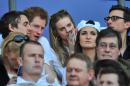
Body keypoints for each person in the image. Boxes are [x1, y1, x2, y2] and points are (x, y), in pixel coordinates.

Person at [24, 7, 61, 83]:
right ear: (26, 24)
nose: (39, 32)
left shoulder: (43, 41)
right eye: (36, 26)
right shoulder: (6, 40)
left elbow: (54, 71)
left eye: (42, 28)